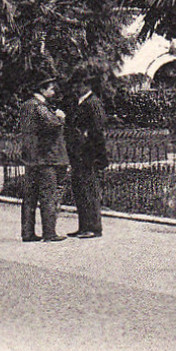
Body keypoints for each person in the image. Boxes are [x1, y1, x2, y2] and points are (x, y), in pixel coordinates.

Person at [18, 78, 68, 243]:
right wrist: (60, 117)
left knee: (30, 197)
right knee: (48, 195)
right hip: (46, 158)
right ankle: (49, 233)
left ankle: (27, 233)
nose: (54, 92)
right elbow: (53, 125)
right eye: (51, 89)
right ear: (43, 90)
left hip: (32, 158)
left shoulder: (26, 105)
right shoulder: (39, 106)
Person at [65, 78, 109, 239]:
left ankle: (94, 227)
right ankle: (84, 226)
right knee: (80, 190)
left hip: (89, 155)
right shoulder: (81, 103)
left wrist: (98, 156)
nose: (75, 88)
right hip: (79, 154)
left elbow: (97, 131)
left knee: (90, 190)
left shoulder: (93, 103)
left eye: (78, 84)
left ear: (87, 85)